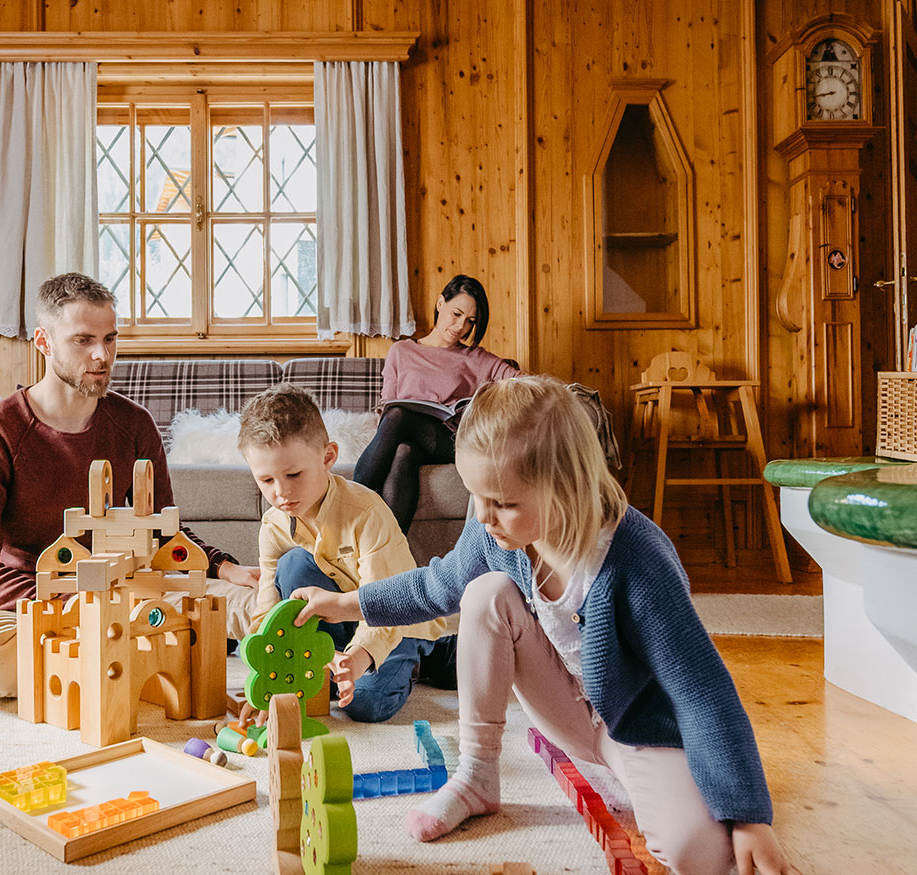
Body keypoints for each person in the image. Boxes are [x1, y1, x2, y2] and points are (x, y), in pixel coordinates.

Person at [294, 375, 799, 875]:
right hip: (570, 713)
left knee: (702, 856)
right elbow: (437, 585)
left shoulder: (636, 560)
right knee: (482, 593)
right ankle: (477, 777)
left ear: (566, 487)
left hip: (639, 732)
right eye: (477, 496)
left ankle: (649, 782)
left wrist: (750, 816)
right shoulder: (496, 532)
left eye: (505, 503)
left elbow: (702, 692)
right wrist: (345, 604)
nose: (485, 517)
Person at [0, 272, 260, 699]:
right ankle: (134, 667)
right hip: (43, 603)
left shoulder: (134, 424)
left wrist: (223, 566)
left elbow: (165, 531)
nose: (102, 355)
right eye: (82, 340)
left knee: (254, 600)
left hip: (129, 590)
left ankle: (109, 665)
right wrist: (65, 597)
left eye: (110, 339)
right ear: (43, 341)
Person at [235, 384, 457, 724]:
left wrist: (356, 659)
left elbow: (389, 601)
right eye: (266, 480)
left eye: (293, 474)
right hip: (337, 621)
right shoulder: (274, 524)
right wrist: (271, 670)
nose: (281, 493)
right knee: (292, 563)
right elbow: (268, 598)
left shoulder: (366, 513)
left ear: (327, 457)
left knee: (364, 705)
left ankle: (427, 654)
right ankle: (342, 658)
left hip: (393, 620)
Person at [353, 275, 520, 533]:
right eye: (456, 313)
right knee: (403, 451)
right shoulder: (401, 351)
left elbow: (520, 382)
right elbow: (385, 406)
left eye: (470, 321)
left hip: (448, 441)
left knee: (398, 416)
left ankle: (349, 509)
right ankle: (390, 554)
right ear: (440, 303)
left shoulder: (475, 358)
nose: (461, 326)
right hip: (405, 435)